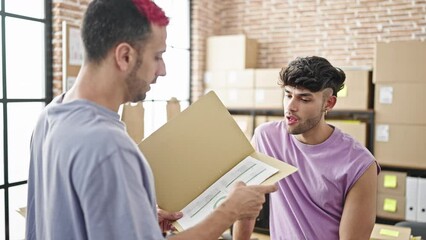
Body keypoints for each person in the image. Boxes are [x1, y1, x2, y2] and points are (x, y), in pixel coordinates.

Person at [25, 0, 277, 239]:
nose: (163, 70)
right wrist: (230, 211)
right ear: (124, 56)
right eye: (157, 56)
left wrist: (138, 217)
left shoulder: (49, 117)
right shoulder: (109, 146)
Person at [233, 56, 380, 240]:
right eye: (288, 95)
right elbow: (246, 205)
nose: (290, 107)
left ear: (329, 103)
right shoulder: (266, 137)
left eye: (304, 99)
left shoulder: (360, 165)